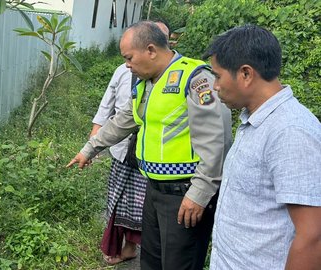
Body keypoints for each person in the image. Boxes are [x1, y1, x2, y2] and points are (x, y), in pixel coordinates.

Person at [68, 21, 232, 270]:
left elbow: (216, 140)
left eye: (130, 57)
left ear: (151, 50)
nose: (127, 65)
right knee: (152, 261)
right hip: (154, 191)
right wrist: (89, 149)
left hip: (185, 196)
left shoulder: (195, 79)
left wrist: (199, 193)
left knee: (179, 263)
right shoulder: (146, 84)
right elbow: (122, 121)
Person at [204, 25, 321, 270]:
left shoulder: (291, 131)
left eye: (217, 76)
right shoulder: (256, 119)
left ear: (246, 74)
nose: (215, 86)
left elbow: (313, 237)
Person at [91, 21, 170, 265]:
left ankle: (131, 248)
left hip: (151, 158)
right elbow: (110, 106)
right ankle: (118, 247)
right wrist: (94, 141)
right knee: (117, 200)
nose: (129, 63)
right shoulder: (123, 71)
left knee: (140, 207)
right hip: (122, 149)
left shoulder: (177, 81)